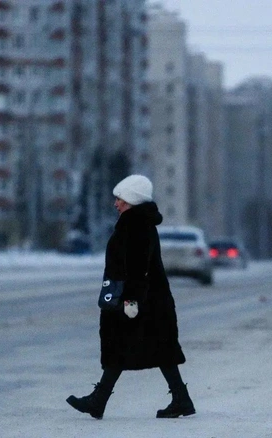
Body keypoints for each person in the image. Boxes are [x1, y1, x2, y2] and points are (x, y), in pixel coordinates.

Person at [66, 174, 195, 420]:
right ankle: (180, 399)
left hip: (137, 301)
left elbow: (137, 268)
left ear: (132, 200)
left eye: (121, 199)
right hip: (149, 300)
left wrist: (131, 301)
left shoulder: (135, 225)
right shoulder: (140, 222)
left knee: (121, 346)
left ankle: (99, 400)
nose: (116, 204)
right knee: (157, 349)